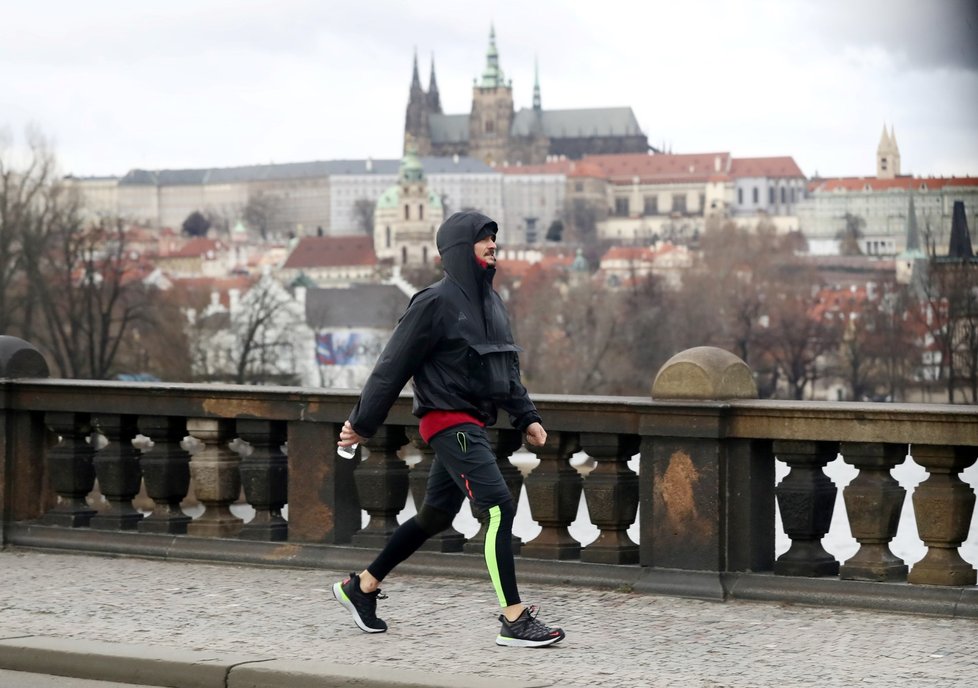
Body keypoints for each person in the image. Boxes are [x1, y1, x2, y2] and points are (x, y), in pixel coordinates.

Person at [332, 210, 565, 648]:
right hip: (448, 420)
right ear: (460, 248)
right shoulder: (432, 302)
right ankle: (513, 619)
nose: (493, 245)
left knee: (435, 515)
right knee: (497, 507)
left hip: (474, 422)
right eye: (484, 240)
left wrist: (527, 415)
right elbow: (391, 368)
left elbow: (506, 371)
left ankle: (360, 587)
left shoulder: (494, 304)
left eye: (495, 239)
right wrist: (362, 424)